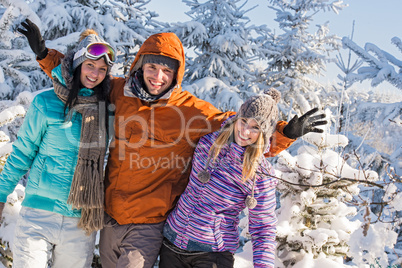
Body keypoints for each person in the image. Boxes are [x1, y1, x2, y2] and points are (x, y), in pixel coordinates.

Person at [20, 19, 327, 268]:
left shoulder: (191, 111)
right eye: (152, 67)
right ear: (140, 65)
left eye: (167, 70)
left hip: (150, 220)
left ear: (176, 74)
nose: (158, 76)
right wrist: (45, 54)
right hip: (110, 213)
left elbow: (243, 132)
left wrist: (286, 132)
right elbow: (84, 77)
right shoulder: (119, 91)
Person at [0, 23, 115, 267]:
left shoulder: (108, 108)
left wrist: (44, 55)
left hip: (80, 220)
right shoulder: (46, 102)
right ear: (77, 64)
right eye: (90, 65)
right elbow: (23, 153)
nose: (95, 74)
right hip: (38, 214)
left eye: (102, 69)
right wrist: (1, 194)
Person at [160, 88, 283, 268]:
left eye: (255, 127)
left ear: (264, 133)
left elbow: (263, 229)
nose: (245, 131)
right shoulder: (208, 141)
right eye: (243, 121)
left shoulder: (259, 174)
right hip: (172, 244)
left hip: (211, 255)